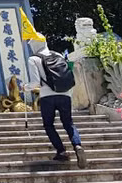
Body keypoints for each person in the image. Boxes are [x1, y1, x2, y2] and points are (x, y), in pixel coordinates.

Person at [29, 40, 87, 168]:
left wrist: (25, 88)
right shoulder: (59, 55)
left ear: (34, 45)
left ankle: (61, 151)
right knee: (68, 123)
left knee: (49, 125)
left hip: (46, 96)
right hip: (65, 94)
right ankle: (77, 145)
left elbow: (35, 83)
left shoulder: (33, 59)